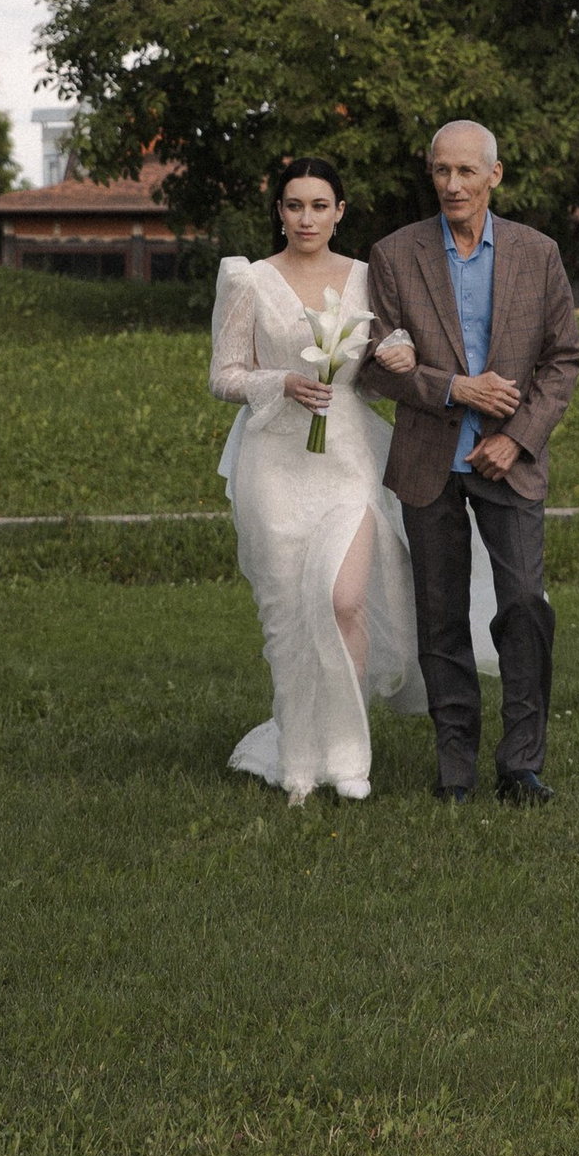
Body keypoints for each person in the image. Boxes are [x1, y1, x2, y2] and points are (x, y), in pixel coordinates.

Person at [360, 120, 579, 805]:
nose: (452, 185)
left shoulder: (537, 252)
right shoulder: (395, 255)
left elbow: (563, 358)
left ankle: (520, 764)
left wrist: (515, 436)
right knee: (440, 616)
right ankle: (454, 769)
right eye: (440, 172)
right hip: (428, 461)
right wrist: (455, 388)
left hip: (508, 462)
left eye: (465, 172)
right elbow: (378, 364)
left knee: (523, 605)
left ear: (496, 175)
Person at [209, 155, 430, 804]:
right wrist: (279, 382)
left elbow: (393, 352)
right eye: (294, 205)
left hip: (347, 463)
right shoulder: (248, 281)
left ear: (341, 212)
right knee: (288, 617)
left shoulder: (368, 279)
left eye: (319, 206)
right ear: (279, 212)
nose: (306, 218)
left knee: (343, 603)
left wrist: (401, 353)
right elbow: (223, 375)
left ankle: (348, 755)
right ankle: (297, 753)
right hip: (274, 464)